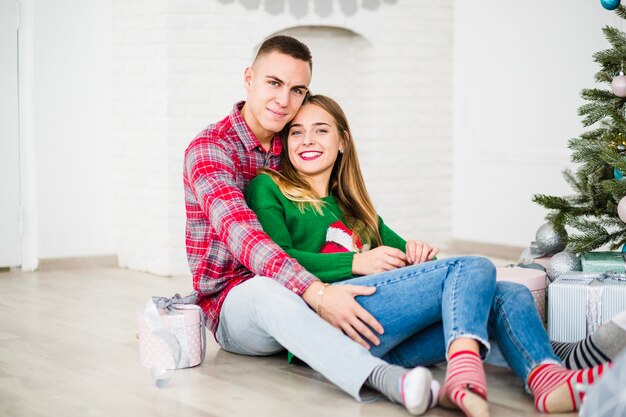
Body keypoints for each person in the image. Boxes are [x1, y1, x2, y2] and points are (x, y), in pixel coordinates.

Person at [245, 94, 612, 416]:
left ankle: (548, 382)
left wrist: (417, 256)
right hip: (333, 329)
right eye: (297, 131)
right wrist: (356, 262)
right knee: (475, 265)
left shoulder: (356, 210)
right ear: (285, 142)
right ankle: (466, 371)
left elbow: (444, 277)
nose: (307, 139)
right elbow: (275, 259)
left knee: (505, 293)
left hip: (389, 348)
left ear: (342, 141)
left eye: (321, 130)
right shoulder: (269, 187)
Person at [184, 35, 437, 415]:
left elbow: (339, 222)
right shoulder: (211, 149)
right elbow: (247, 240)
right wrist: (319, 293)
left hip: (310, 286)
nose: (284, 100)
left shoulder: (291, 146)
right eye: (273, 83)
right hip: (237, 302)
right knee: (268, 291)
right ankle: (384, 379)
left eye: (297, 89)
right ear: (249, 78)